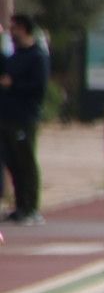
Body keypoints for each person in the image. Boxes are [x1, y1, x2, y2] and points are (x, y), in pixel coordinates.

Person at [0, 14, 49, 225]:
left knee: (26, 162)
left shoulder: (37, 56)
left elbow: (39, 87)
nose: (12, 32)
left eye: (15, 28)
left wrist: (14, 85)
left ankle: (31, 208)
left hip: (25, 117)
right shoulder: (15, 55)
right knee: (12, 161)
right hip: (7, 116)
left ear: (25, 29)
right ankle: (20, 206)